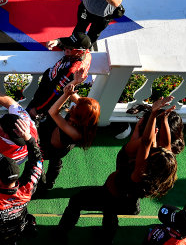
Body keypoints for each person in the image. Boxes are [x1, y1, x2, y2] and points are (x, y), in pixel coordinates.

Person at [56, 96, 178, 243]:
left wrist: (153, 114)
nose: (158, 146)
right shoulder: (162, 169)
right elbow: (166, 144)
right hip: (129, 199)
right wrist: (163, 117)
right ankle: (110, 232)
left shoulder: (139, 173)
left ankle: (62, 232)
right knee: (110, 213)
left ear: (151, 161)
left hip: (113, 195)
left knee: (79, 201)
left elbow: (146, 142)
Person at [37, 82, 100, 191]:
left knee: (43, 161)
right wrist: (75, 81)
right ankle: (49, 178)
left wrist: (65, 95)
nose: (75, 105)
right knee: (55, 161)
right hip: (53, 135)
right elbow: (71, 93)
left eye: (77, 106)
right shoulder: (87, 112)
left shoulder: (75, 133)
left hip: (53, 148)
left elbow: (53, 112)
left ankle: (45, 185)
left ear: (80, 115)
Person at [26, 32, 92, 121]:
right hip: (49, 88)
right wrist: (57, 42)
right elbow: (70, 45)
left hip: (45, 99)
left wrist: (38, 110)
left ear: (79, 51)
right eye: (66, 45)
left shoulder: (72, 71)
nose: (65, 49)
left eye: (69, 48)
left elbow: (55, 94)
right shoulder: (84, 52)